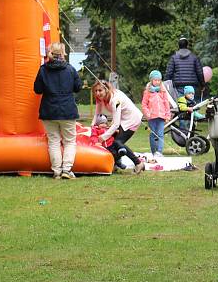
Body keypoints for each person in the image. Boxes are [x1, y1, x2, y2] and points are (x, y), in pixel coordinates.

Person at [33, 42, 82, 180]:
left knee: (53, 141)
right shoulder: (70, 69)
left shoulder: (43, 69)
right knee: (69, 141)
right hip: (67, 110)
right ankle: (67, 169)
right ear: (62, 54)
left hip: (48, 110)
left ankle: (57, 171)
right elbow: (78, 87)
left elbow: (37, 89)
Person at [92, 80, 145, 174]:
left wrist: (103, 137)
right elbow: (97, 114)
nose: (97, 93)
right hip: (122, 119)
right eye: (95, 91)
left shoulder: (115, 100)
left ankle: (138, 163)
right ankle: (114, 164)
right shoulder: (99, 99)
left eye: (100, 90)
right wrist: (92, 127)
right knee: (111, 143)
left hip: (132, 119)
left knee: (117, 142)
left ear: (106, 90)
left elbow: (116, 124)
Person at [142, 70, 172, 161]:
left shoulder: (162, 91)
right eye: (155, 80)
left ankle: (159, 152)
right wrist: (147, 114)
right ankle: (153, 151)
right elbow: (144, 104)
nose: (157, 82)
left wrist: (167, 115)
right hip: (152, 117)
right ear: (151, 80)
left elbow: (166, 103)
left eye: (159, 80)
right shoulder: (147, 92)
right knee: (153, 134)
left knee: (160, 134)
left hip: (161, 116)